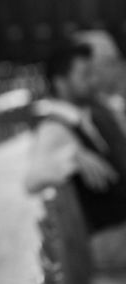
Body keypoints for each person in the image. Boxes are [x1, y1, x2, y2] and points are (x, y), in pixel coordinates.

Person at [26, 41, 126, 233]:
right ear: (60, 83)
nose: (94, 81)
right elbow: (32, 180)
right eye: (85, 75)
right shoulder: (55, 127)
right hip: (107, 234)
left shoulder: (82, 116)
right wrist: (71, 157)